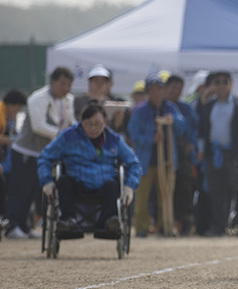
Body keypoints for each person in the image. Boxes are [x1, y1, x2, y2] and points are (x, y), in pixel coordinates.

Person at [37, 102, 142, 234]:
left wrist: (129, 187)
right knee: (63, 182)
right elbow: (45, 157)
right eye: (88, 124)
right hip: (76, 184)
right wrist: (47, 181)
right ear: (81, 122)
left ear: (105, 122)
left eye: (97, 124)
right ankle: (68, 220)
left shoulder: (114, 140)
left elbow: (134, 163)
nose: (93, 128)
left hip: (104, 186)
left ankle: (109, 221)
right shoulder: (68, 136)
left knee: (113, 185)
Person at [6, 67, 75, 239]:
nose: (65, 88)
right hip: (26, 152)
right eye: (62, 83)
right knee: (20, 190)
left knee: (32, 192)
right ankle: (12, 225)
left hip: (45, 154)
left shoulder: (68, 100)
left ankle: (24, 226)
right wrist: (63, 134)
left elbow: (71, 122)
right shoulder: (38, 98)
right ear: (52, 82)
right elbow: (39, 126)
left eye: (68, 84)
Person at [127, 74, 188, 237]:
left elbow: (182, 126)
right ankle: (141, 227)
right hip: (146, 159)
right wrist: (150, 139)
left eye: (160, 89)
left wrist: (173, 120)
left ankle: (164, 225)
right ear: (148, 92)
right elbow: (133, 134)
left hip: (167, 158)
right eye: (153, 90)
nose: (157, 93)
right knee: (142, 196)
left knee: (166, 196)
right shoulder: (140, 111)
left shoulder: (170, 108)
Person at [196, 71, 238, 236]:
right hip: (213, 155)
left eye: (225, 82)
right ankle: (219, 227)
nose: (221, 86)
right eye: (217, 82)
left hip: (236, 155)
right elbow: (201, 130)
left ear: (231, 84)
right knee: (216, 192)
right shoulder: (208, 105)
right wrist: (201, 151)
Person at [164, 74, 200, 235]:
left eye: (179, 88)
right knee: (165, 189)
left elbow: (193, 127)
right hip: (164, 153)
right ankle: (164, 222)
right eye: (173, 87)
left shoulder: (186, 108)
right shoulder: (160, 106)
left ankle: (184, 222)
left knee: (185, 188)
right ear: (166, 88)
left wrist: (191, 143)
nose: (176, 91)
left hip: (183, 154)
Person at [0, 89, 28, 227]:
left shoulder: (9, 116)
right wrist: (12, 139)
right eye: (18, 107)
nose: (18, 110)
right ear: (13, 104)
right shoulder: (1, 111)